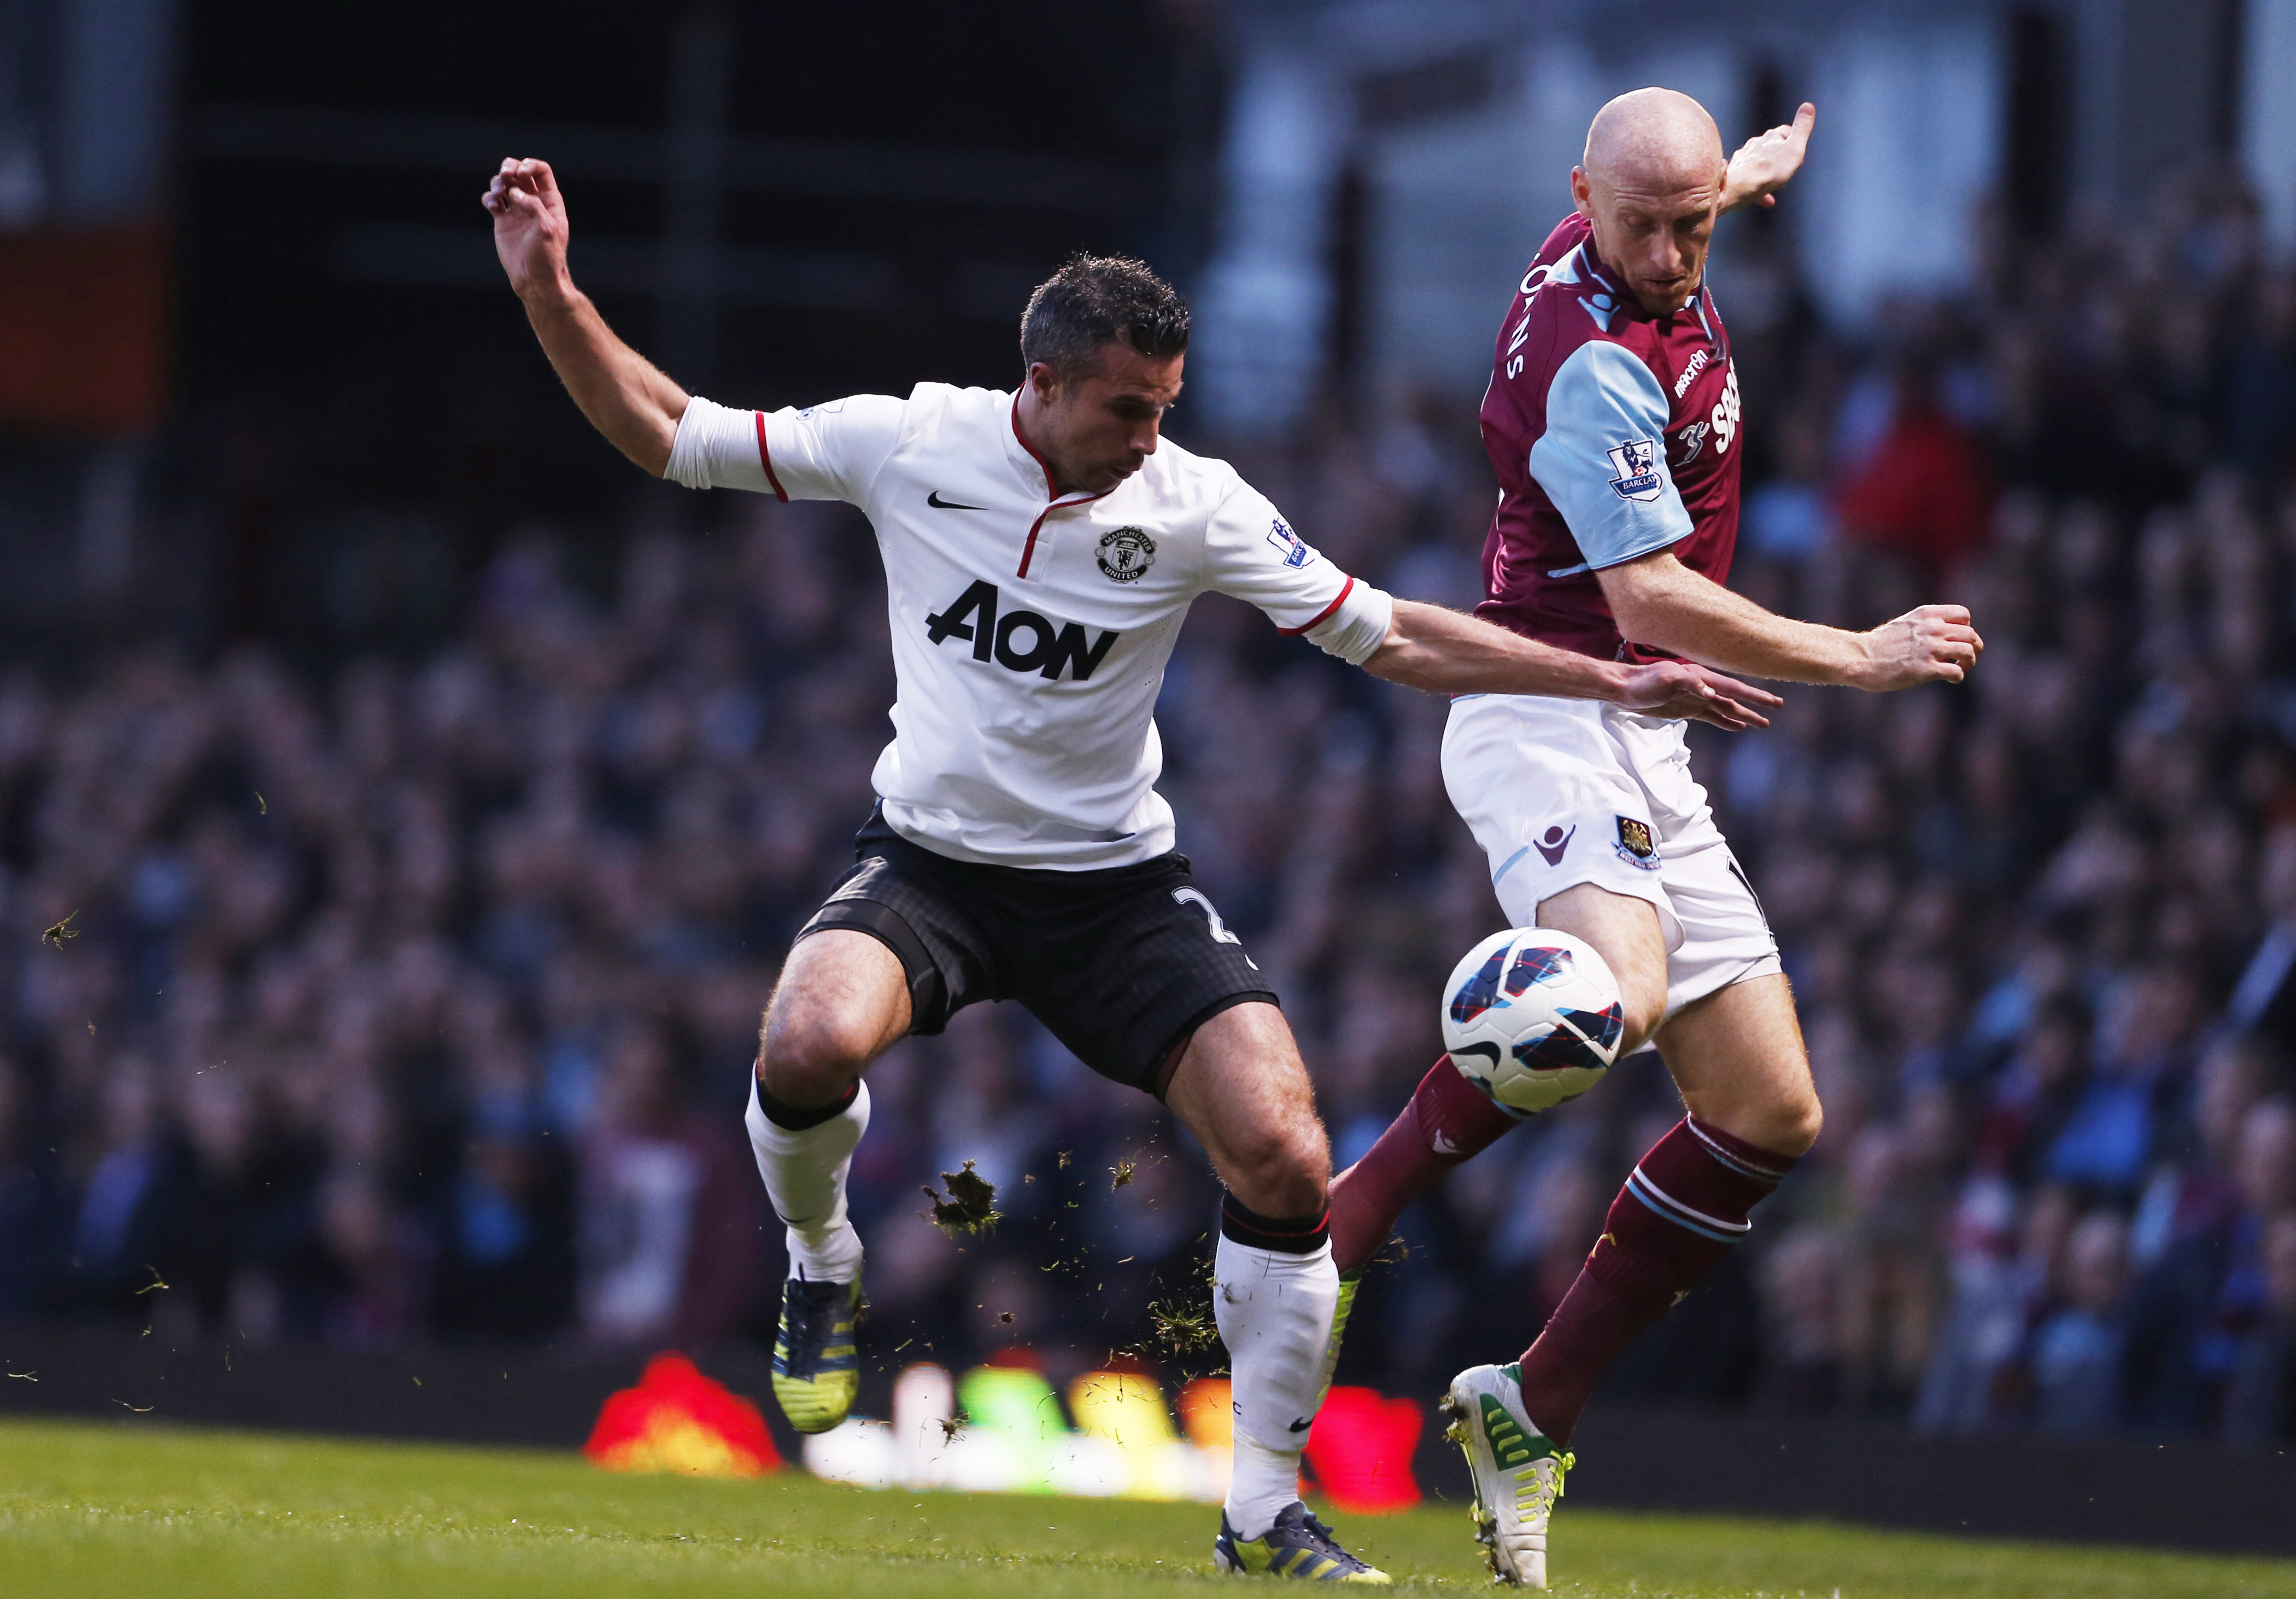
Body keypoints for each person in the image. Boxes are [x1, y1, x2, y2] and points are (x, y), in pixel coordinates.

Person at [483, 155, 1777, 1582]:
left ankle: (1263, 1514)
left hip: (1115, 891)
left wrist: (1606, 675)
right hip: (933, 868)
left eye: (1168, 407)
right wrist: (552, 292)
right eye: (1128, 410)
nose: (1153, 436)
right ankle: (821, 1264)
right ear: (1038, 386)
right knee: (802, 1039)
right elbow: (670, 432)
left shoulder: (1196, 501)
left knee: (1284, 1148)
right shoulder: (911, 444)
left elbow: (1395, 635)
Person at [1318, 91, 1982, 1587]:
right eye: (1651, 227)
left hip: (1647, 739)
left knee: (1770, 1117)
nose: (1681, 254)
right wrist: (1857, 654)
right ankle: (1342, 1222)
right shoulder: (1592, 363)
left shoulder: (1631, 228)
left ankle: (1529, 1403)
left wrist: (1752, 172)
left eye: (1699, 225)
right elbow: (1653, 605)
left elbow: (1685, 188)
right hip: (1550, 699)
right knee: (1599, 995)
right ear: (1580, 202)